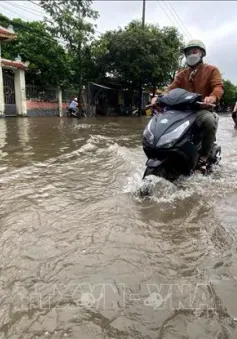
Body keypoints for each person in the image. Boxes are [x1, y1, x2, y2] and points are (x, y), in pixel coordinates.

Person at [167, 39, 224, 173]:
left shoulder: (212, 70)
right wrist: (158, 98)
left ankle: (203, 157)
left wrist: (213, 97)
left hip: (201, 111)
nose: (191, 54)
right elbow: (170, 89)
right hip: (182, 112)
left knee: (210, 121)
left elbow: (218, 86)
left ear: (202, 53)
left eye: (194, 51)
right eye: (188, 52)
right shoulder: (182, 74)